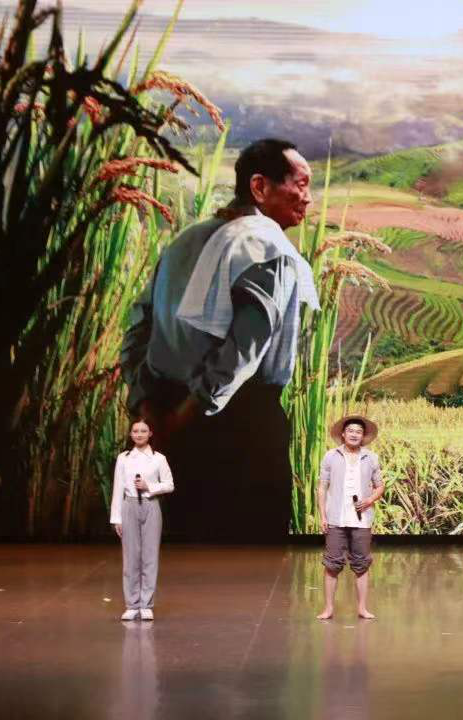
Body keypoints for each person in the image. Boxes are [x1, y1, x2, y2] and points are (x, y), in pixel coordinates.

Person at [120, 138, 319, 541]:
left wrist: (147, 409)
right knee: (248, 555)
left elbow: (138, 326)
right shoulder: (266, 247)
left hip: (164, 419)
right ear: (259, 187)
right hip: (242, 430)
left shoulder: (182, 242)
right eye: (300, 185)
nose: (308, 198)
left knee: (181, 546)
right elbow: (244, 350)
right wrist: (183, 416)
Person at [316, 415, 385, 621]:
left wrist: (369, 500)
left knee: (362, 564)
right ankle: (328, 608)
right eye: (351, 431)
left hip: (361, 521)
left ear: (363, 436)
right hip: (336, 518)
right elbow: (322, 487)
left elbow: (380, 486)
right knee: (332, 564)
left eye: (359, 432)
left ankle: (362, 608)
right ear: (343, 434)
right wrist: (323, 516)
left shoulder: (371, 458)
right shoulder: (331, 456)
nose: (354, 434)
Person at [110, 419, 175, 621]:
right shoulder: (124, 458)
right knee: (130, 558)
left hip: (151, 506)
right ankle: (132, 604)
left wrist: (149, 487)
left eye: (143, 431)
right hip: (129, 506)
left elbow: (169, 484)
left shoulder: (158, 459)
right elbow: (118, 488)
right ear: (131, 434)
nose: (139, 434)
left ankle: (146, 604)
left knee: (149, 557)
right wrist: (116, 518)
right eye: (135, 431)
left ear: (150, 434)